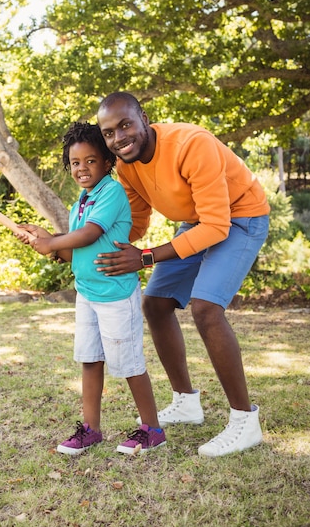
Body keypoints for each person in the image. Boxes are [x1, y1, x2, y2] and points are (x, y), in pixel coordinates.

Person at [95, 91, 270, 457]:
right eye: (109, 132)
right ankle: (186, 402)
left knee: (206, 309)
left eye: (125, 124)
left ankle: (244, 421)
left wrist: (145, 259)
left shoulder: (191, 144)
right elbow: (136, 223)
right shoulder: (126, 165)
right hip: (197, 223)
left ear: (143, 117)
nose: (119, 137)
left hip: (241, 217)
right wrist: (79, 245)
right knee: (156, 304)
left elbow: (217, 227)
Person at [17, 121, 166, 456]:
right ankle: (91, 429)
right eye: (74, 163)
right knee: (89, 360)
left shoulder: (111, 193)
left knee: (128, 364)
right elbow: (75, 252)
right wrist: (46, 241)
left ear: (108, 163)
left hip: (115, 295)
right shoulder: (79, 204)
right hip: (87, 293)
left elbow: (88, 235)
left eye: (90, 161)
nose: (81, 168)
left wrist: (52, 240)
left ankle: (152, 429)